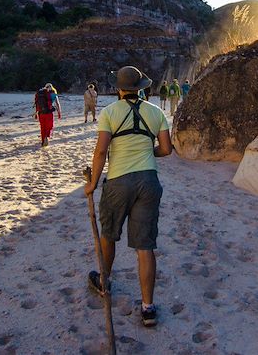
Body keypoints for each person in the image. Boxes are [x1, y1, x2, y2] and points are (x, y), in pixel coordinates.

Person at [84, 65, 173, 327]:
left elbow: (101, 152)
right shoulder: (156, 112)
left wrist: (92, 184)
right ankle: (148, 308)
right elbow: (166, 150)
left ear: (119, 89)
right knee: (145, 247)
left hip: (118, 182)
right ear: (142, 87)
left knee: (109, 234)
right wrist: (147, 152)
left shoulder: (110, 112)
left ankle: (104, 281)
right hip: (148, 181)